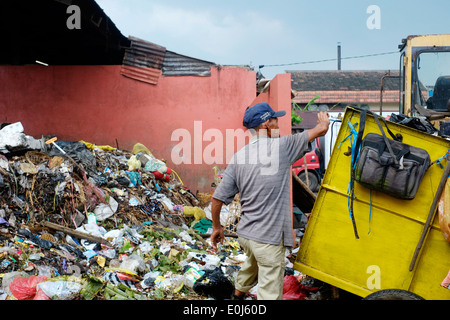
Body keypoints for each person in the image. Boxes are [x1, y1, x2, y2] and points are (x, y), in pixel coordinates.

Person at [210, 102, 330, 300]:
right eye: (275, 119)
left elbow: (217, 200)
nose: (278, 123)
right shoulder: (281, 147)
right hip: (268, 238)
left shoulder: (239, 157)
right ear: (266, 124)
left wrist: (217, 228)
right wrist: (324, 119)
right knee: (269, 290)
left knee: (253, 262)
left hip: (246, 235)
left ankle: (237, 294)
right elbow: (321, 129)